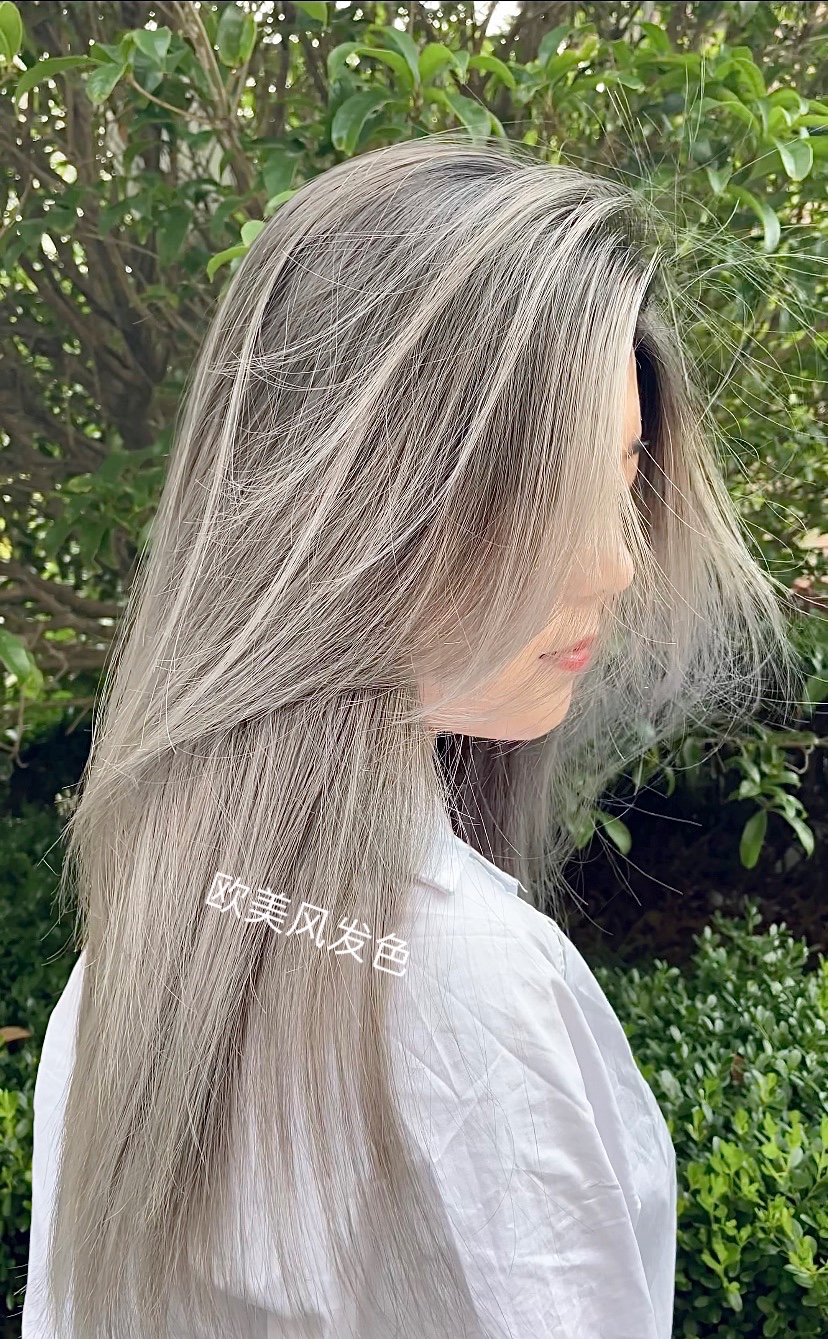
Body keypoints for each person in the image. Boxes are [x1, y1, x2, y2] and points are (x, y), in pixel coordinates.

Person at [21, 132, 794, 1339]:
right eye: (544, 493)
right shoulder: (472, 987)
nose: (617, 562)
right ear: (343, 505)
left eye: (623, 480)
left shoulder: (132, 962)